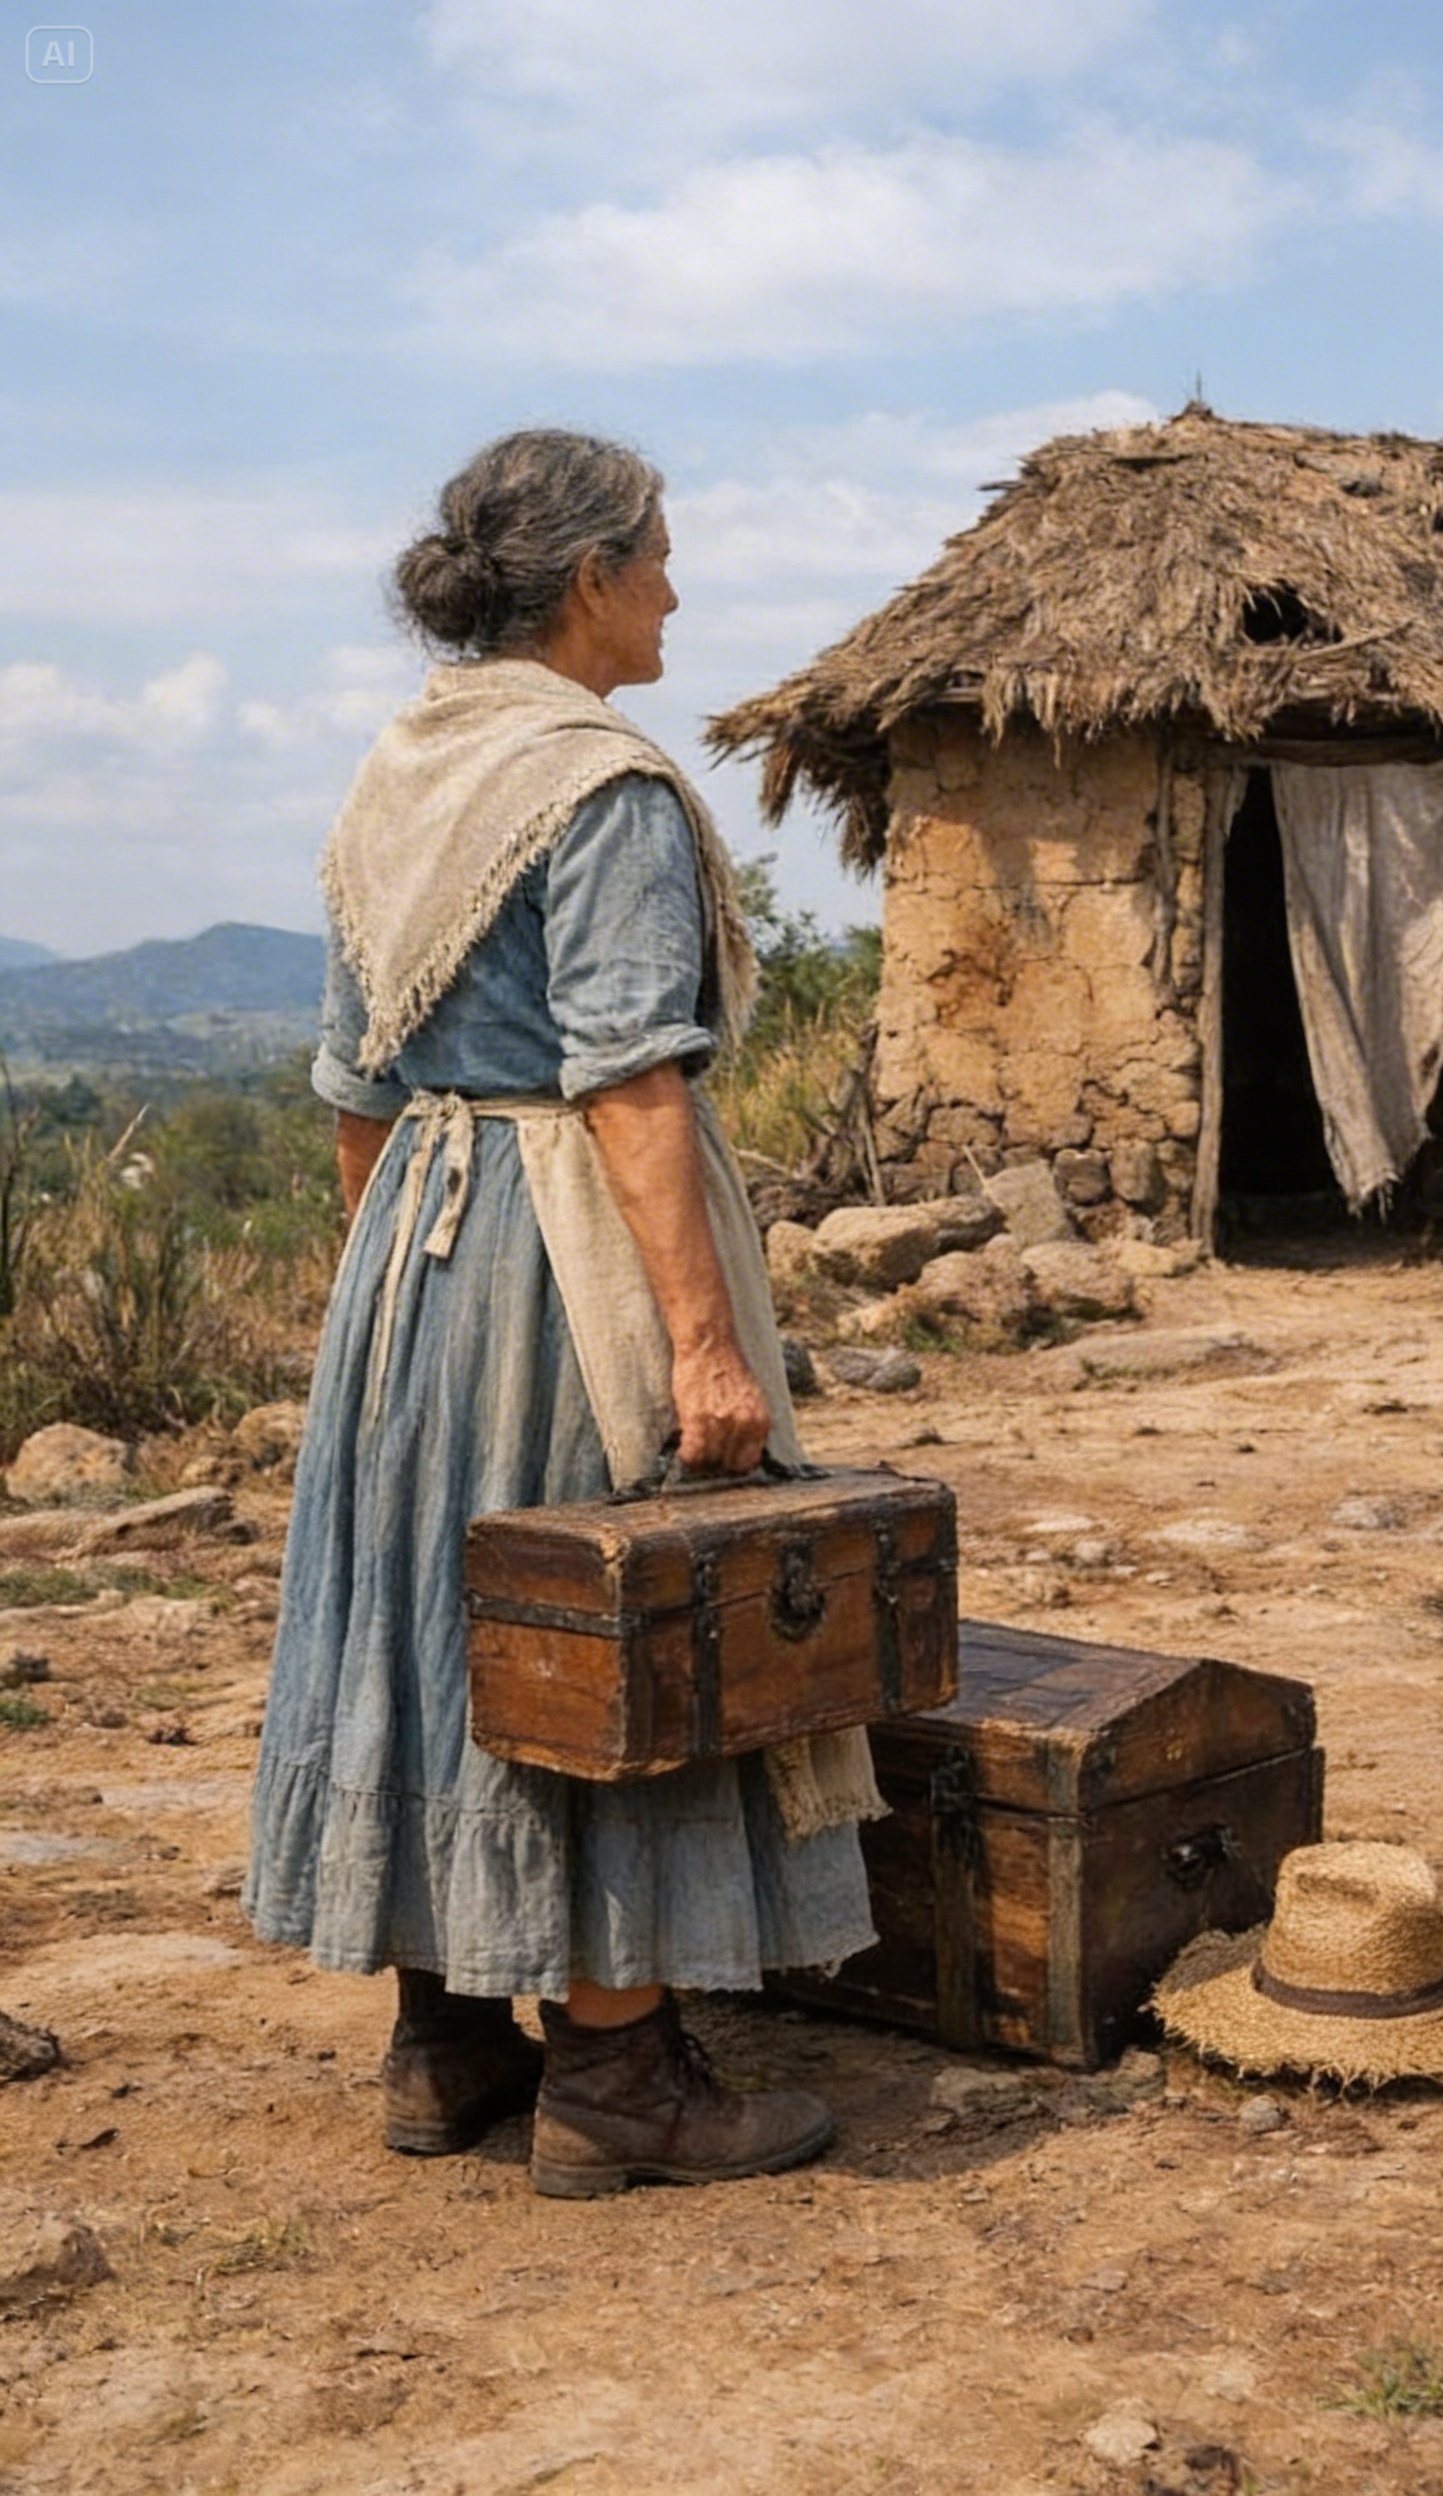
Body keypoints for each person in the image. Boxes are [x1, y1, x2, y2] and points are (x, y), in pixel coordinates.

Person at [242, 429, 879, 2197]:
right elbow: (632, 1084)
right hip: (558, 1253)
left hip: (418, 1259)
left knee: (438, 1625)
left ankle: (442, 2043)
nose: (677, 588)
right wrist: (698, 1342)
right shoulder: (592, 783)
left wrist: (400, 1317)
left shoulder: (406, 768)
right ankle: (615, 2070)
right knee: (609, 1630)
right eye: (661, 556)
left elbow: (355, 1082)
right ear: (591, 577)